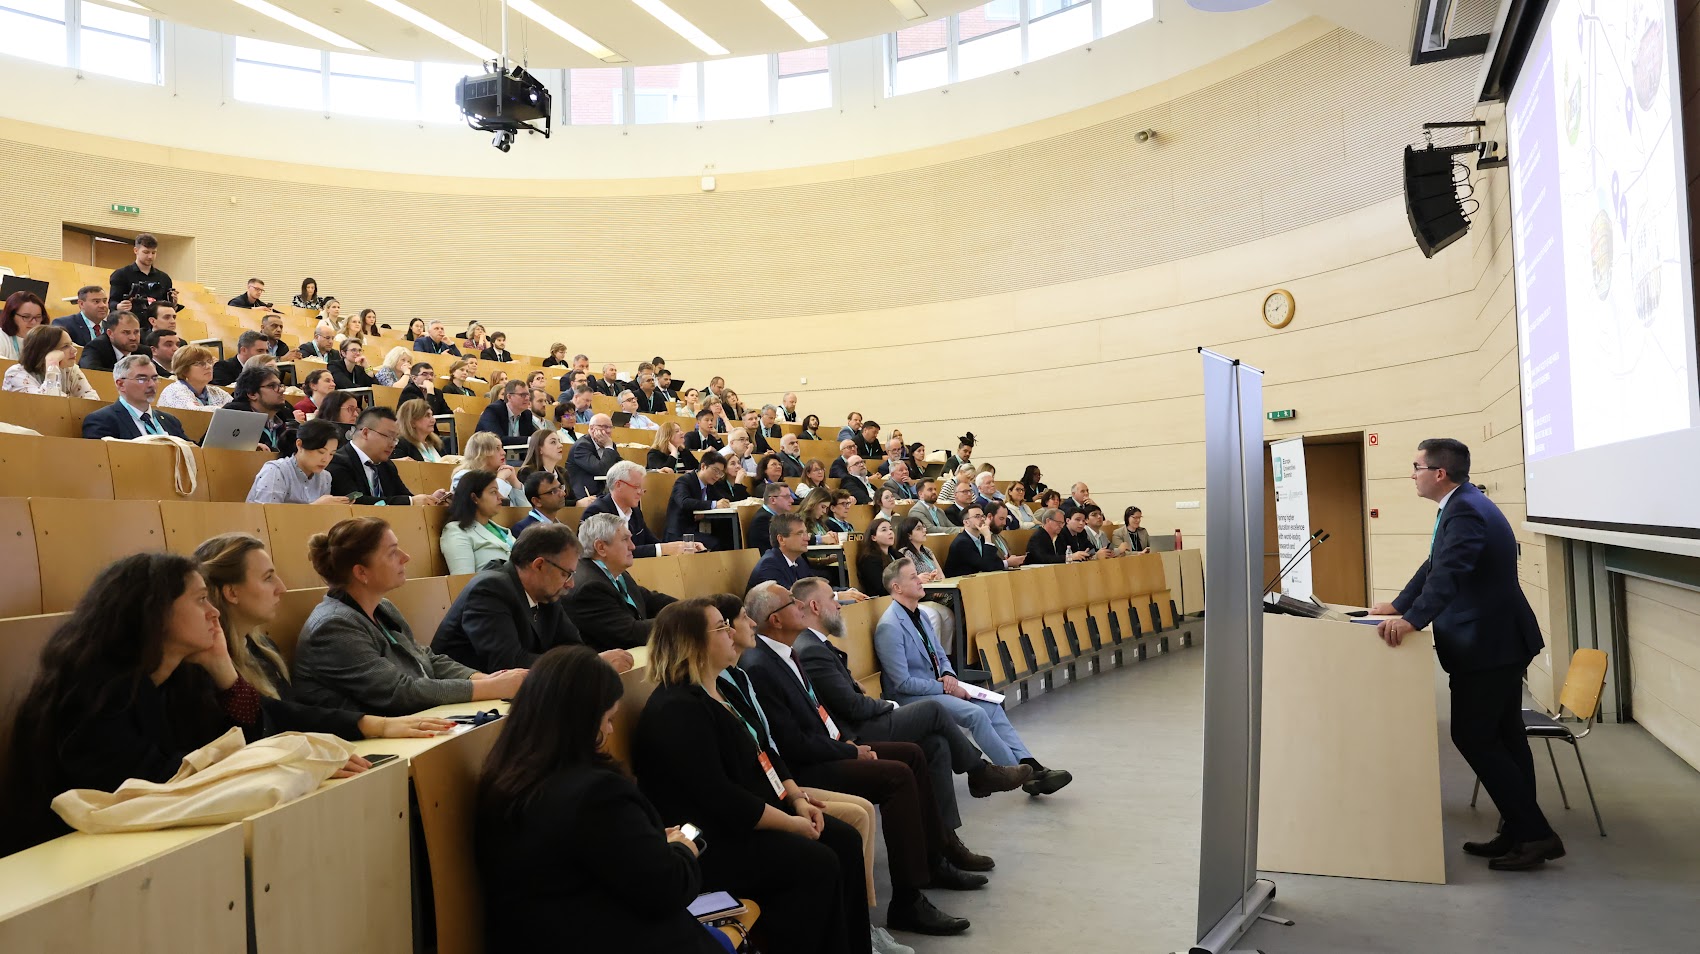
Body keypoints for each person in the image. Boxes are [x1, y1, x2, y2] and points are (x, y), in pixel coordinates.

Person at [0, 551, 375, 857]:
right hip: (83, 859)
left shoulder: (183, 678)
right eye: (200, 600)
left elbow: (252, 729)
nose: (214, 613)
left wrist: (224, 671)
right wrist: (286, 761)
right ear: (154, 612)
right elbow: (158, 784)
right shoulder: (93, 693)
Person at [632, 599, 872, 954]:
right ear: (692, 643)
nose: (732, 632)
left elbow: (764, 750)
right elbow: (721, 798)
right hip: (713, 840)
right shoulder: (677, 709)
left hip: (751, 815)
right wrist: (791, 824)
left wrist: (796, 800)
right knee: (817, 862)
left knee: (844, 839)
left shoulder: (723, 688)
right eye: (720, 627)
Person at [740, 583, 977, 937]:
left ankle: (934, 859)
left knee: (914, 753)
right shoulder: (761, 665)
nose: (800, 606)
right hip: (809, 767)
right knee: (896, 776)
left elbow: (817, 714)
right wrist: (850, 751)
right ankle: (907, 901)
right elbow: (793, 744)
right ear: (776, 619)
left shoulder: (786, 652)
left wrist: (846, 743)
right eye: (792, 603)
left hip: (829, 747)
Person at [1371, 438, 1560, 870]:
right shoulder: (1461, 505)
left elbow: (1450, 573)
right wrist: (1400, 605)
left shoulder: (1466, 510)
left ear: (1439, 473)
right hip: (1497, 642)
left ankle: (1535, 834)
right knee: (1506, 737)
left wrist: (1413, 620)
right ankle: (1518, 831)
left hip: (1489, 644)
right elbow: (1434, 565)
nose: (1412, 475)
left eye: (1416, 467)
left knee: (1474, 736)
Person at [475, 646, 715, 954]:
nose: (610, 730)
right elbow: (666, 889)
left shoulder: (504, 778)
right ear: (584, 719)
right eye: (608, 718)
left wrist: (648, 844)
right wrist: (681, 849)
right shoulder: (595, 795)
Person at [193, 533, 451, 739]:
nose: (281, 588)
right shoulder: (205, 666)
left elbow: (290, 716)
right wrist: (375, 726)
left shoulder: (263, 648)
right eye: (268, 578)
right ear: (232, 593)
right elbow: (265, 728)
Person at [290, 517, 527, 713]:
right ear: (361, 572)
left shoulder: (382, 607)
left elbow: (426, 658)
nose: (406, 557)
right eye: (392, 552)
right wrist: (492, 688)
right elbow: (400, 692)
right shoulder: (334, 626)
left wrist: (485, 679)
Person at [875, 559, 1072, 794]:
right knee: (976, 714)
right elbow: (902, 683)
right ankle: (1020, 774)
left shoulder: (921, 615)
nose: (920, 579)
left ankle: (1030, 764)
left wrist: (948, 674)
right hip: (913, 698)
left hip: (937, 687)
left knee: (991, 707)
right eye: (913, 577)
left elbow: (940, 655)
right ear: (897, 587)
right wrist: (946, 687)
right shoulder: (889, 626)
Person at [565, 513, 678, 650]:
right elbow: (630, 633)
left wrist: (691, 609)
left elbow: (649, 600)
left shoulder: (616, 572)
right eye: (625, 540)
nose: (633, 546)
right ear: (601, 547)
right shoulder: (589, 587)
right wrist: (681, 621)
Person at [327, 406, 450, 506]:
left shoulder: (386, 464)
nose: (393, 444)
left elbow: (404, 496)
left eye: (395, 438)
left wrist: (430, 500)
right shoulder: (338, 461)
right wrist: (410, 502)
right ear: (365, 433)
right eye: (389, 436)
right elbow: (355, 501)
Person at [584, 461, 703, 558]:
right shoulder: (597, 512)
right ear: (618, 485)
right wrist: (663, 549)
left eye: (642, 489)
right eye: (636, 487)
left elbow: (652, 542)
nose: (641, 493)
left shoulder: (635, 511)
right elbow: (614, 552)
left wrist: (682, 546)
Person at [749, 513, 869, 599]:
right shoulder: (769, 565)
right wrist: (837, 596)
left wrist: (848, 591)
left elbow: (814, 587)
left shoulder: (798, 560)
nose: (807, 538)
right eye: (800, 533)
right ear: (781, 539)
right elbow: (792, 598)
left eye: (806, 532)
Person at [81, 355, 187, 440]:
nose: (151, 384)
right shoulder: (102, 421)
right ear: (121, 384)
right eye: (142, 379)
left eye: (154, 378)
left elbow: (191, 451)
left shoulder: (170, 421)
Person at [246, 419, 349, 505]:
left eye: (331, 454)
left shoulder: (325, 477)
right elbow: (268, 515)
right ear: (299, 445)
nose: (325, 459)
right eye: (321, 452)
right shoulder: (275, 471)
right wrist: (315, 508)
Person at [440, 471, 515, 575]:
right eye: (493, 492)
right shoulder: (456, 531)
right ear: (474, 498)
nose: (501, 496)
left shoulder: (502, 530)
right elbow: (463, 580)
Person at [4, 325, 99, 398]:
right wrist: (52, 364)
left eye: (71, 344)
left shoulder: (70, 369)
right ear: (44, 351)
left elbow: (92, 400)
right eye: (65, 346)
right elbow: (48, 404)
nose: (74, 350)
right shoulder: (15, 374)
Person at [664, 451, 735, 542]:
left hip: (697, 529)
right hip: (680, 532)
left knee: (727, 535)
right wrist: (713, 505)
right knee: (716, 543)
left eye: (721, 473)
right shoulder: (684, 480)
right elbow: (684, 502)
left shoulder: (710, 485)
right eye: (715, 470)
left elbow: (723, 499)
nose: (718, 476)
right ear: (703, 466)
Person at [224, 364, 295, 454]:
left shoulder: (285, 417)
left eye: (280, 385)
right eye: (272, 386)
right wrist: (247, 447)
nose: (281, 390)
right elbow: (212, 451)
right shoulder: (232, 417)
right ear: (252, 394)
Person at [452, 432, 527, 508]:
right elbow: (485, 508)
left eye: (502, 448)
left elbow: (525, 510)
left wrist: (514, 481)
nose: (503, 453)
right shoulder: (463, 477)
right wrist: (500, 479)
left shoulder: (504, 477)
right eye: (497, 448)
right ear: (482, 453)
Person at [107, 233, 173, 312]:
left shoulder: (164, 278)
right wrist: (118, 306)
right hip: (130, 318)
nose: (150, 256)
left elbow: (167, 307)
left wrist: (173, 303)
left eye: (153, 253)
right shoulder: (121, 274)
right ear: (136, 250)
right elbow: (112, 302)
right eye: (146, 252)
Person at [566, 413, 621, 503]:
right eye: (604, 427)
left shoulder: (610, 445)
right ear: (592, 428)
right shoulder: (582, 446)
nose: (608, 431)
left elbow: (619, 464)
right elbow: (601, 470)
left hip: (603, 492)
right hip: (586, 495)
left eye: (610, 427)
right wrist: (608, 446)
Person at [946, 503, 1008, 576]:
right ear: (966, 522)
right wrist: (987, 537)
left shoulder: (981, 538)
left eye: (983, 516)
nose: (982, 519)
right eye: (977, 516)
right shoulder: (962, 543)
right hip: (961, 581)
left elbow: (993, 562)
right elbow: (986, 566)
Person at [76, 311, 143, 373]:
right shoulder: (95, 348)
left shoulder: (143, 352)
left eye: (136, 332)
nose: (133, 338)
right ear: (110, 333)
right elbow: (91, 372)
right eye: (126, 332)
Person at [511, 471, 567, 537]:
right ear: (537, 501)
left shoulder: (562, 526)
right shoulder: (523, 529)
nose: (563, 493)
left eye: (560, 488)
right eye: (554, 491)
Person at [747, 481, 795, 554]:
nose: (792, 500)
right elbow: (780, 545)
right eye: (787, 497)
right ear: (773, 500)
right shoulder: (762, 520)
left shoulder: (776, 516)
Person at [0, 289, 46, 360]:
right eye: (26, 317)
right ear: (11, 316)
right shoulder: (2, 337)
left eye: (38, 317)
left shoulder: (45, 340)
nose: (33, 322)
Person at [857, 518, 897, 594]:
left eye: (891, 529)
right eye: (884, 530)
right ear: (873, 537)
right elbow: (881, 588)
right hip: (883, 598)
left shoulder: (895, 554)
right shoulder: (869, 559)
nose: (890, 532)